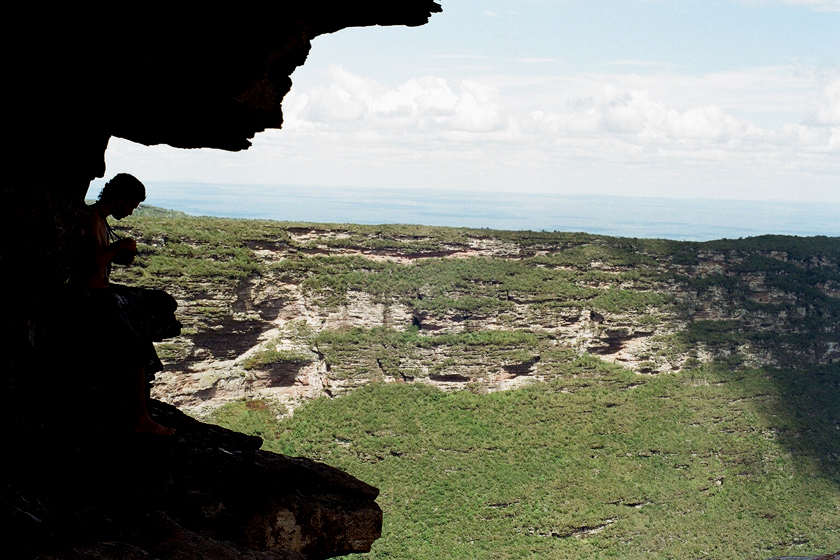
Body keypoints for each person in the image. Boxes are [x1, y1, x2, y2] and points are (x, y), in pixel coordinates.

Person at [77, 173, 175, 435]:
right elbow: (89, 263)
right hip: (92, 297)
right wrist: (120, 246)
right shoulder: (91, 218)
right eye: (131, 205)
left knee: (137, 346)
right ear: (119, 197)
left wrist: (121, 255)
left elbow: (101, 258)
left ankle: (136, 414)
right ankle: (139, 419)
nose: (131, 212)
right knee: (135, 349)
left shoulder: (101, 221)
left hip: (101, 293)